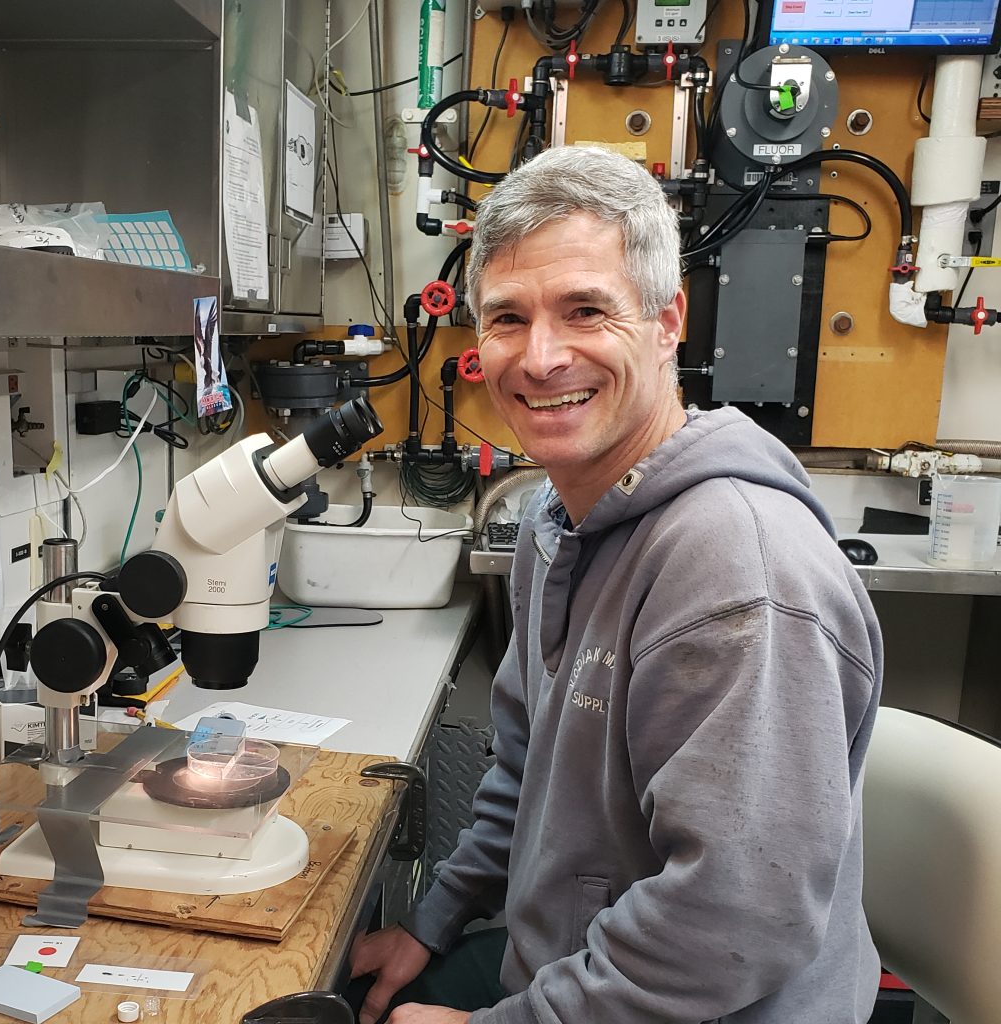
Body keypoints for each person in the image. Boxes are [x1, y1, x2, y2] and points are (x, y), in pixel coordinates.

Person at [349, 146, 883, 1024]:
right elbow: (524, 769)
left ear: (669, 321)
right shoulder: (554, 523)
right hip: (573, 967)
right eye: (508, 319)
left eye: (585, 310)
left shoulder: (735, 568)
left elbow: (733, 924)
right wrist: (435, 922)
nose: (541, 357)